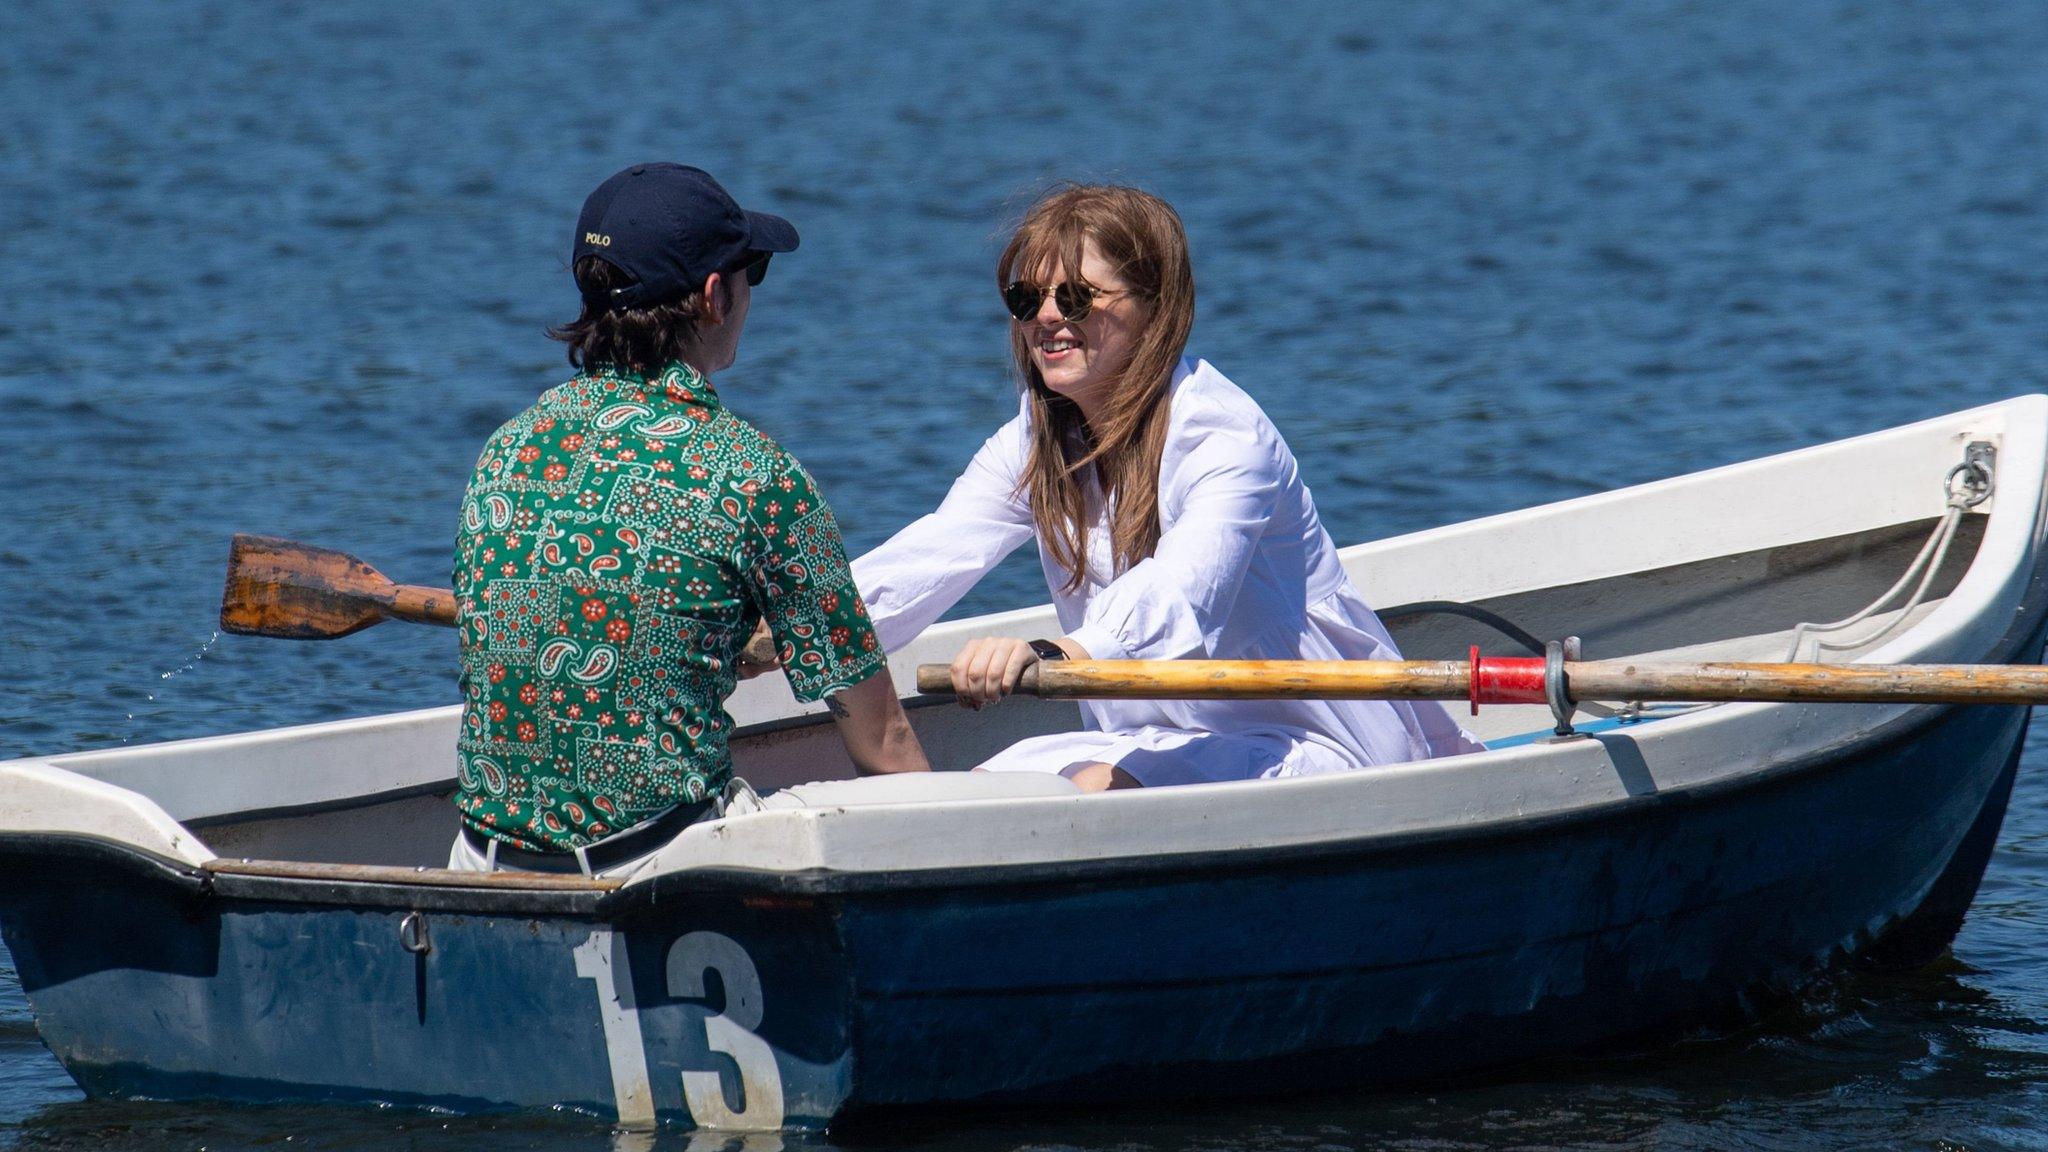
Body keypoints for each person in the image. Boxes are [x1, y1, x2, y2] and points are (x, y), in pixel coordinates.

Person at [851, 184, 1482, 792]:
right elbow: (937, 550)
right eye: (1026, 300)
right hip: (1149, 737)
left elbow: (1185, 588)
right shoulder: (1035, 440)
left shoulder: (1223, 437)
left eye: (1074, 297)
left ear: (1153, 307)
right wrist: (796, 622)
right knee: (990, 788)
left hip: (1314, 739)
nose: (1045, 318)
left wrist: (1057, 651)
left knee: (1104, 789)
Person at [449, 163, 929, 873]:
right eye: (751, 271)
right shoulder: (755, 476)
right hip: (657, 868)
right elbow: (882, 742)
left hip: (483, 863)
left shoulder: (508, 449)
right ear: (713, 296)